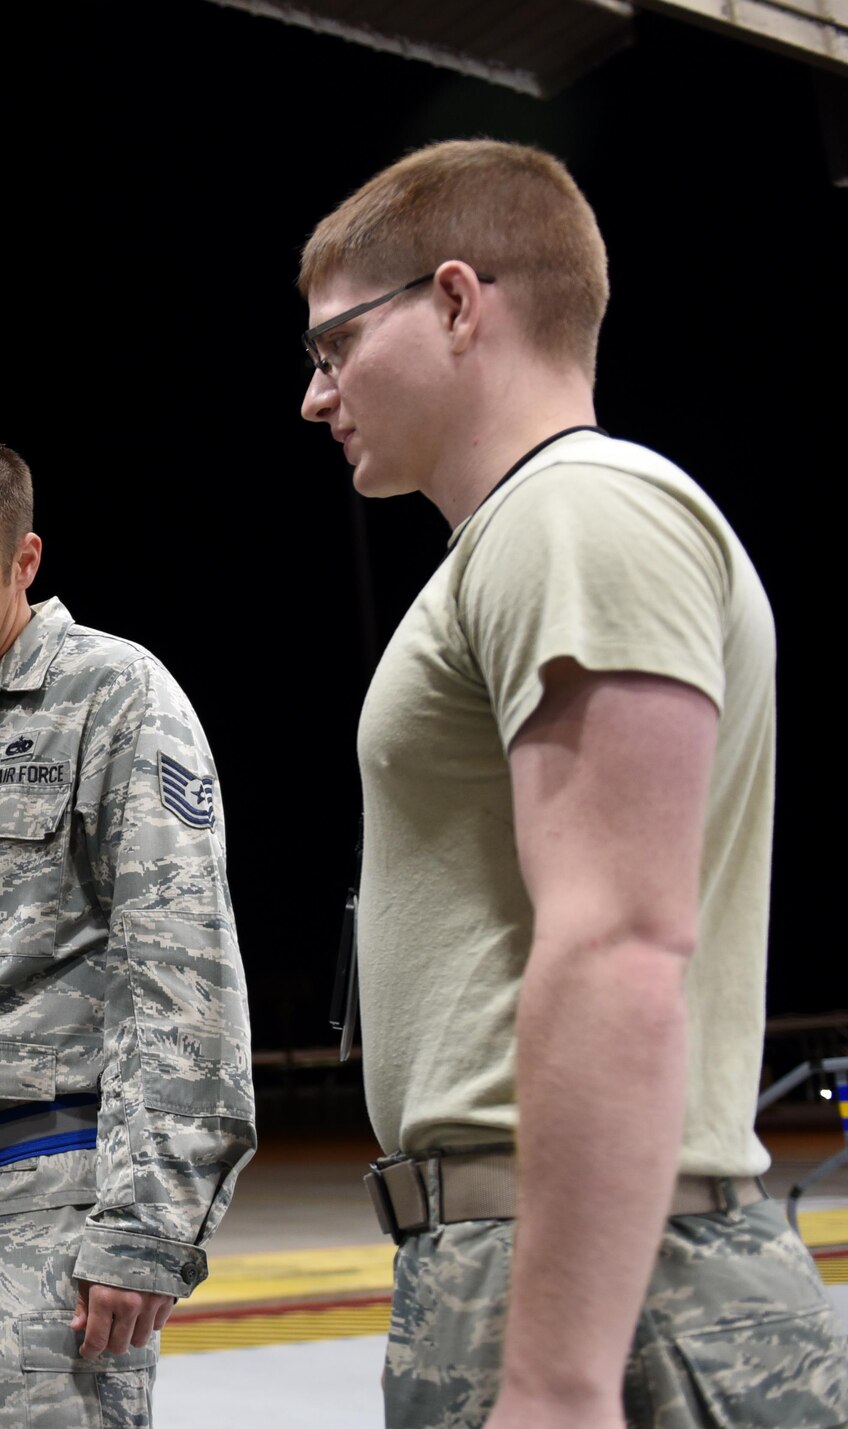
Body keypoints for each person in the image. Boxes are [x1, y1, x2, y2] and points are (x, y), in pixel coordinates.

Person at [297, 139, 848, 1428]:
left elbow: (615, 941)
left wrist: (555, 1379)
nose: (314, 395)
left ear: (453, 301)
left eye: (334, 345)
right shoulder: (526, 534)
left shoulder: (575, 513)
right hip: (538, 1259)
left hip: (592, 1278)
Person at [0, 429, 256, 1428]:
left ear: (24, 560)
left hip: (45, 1222)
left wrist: (147, 1230)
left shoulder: (114, 696)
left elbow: (180, 971)